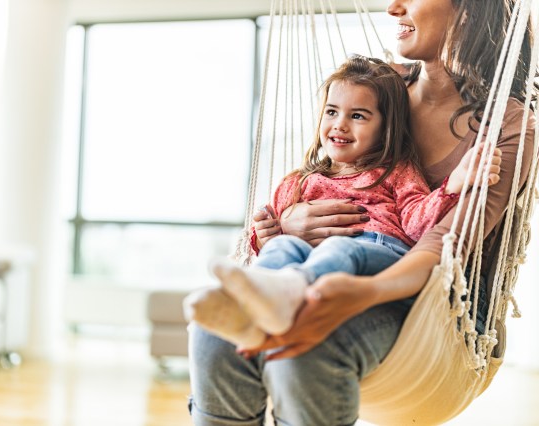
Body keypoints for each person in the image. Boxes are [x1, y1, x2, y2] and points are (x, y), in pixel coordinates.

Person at [186, 0, 537, 425]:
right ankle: (282, 294)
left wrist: (359, 292)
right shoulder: (378, 88)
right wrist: (289, 223)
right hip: (319, 265)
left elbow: (437, 243)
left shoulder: (508, 125)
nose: (393, 7)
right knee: (215, 334)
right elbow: (328, 174)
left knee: (311, 342)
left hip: (434, 304)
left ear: (467, 9)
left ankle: (296, 295)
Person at [184, 55, 502, 350]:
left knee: (340, 248)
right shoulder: (298, 182)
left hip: (380, 256)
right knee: (283, 250)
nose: (340, 124)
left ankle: (285, 295)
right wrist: (265, 237)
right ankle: (250, 308)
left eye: (358, 116)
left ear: (386, 127)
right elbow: (273, 242)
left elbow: (417, 225)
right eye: (332, 111)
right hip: (315, 267)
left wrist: (456, 183)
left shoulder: (395, 172)